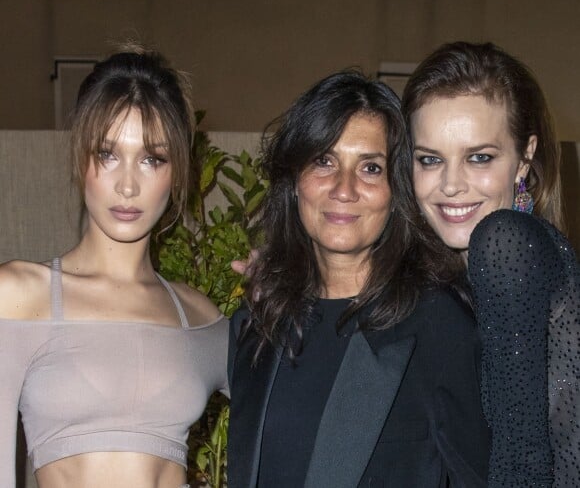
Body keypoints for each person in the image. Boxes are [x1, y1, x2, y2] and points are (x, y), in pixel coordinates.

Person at [227, 70, 490, 488]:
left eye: (370, 167)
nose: (343, 188)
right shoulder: (256, 324)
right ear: (294, 181)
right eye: (324, 161)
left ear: (396, 191)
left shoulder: (440, 324)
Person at [0, 50, 229, 488]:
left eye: (151, 159)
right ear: (79, 158)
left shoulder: (199, 316)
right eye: (107, 154)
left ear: (178, 171)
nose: (127, 185)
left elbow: (300, 407)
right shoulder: (17, 295)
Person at [402, 41, 580, 487]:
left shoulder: (505, 242)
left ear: (524, 158)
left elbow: (522, 464)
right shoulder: (473, 270)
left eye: (479, 157)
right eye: (429, 159)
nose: (451, 184)